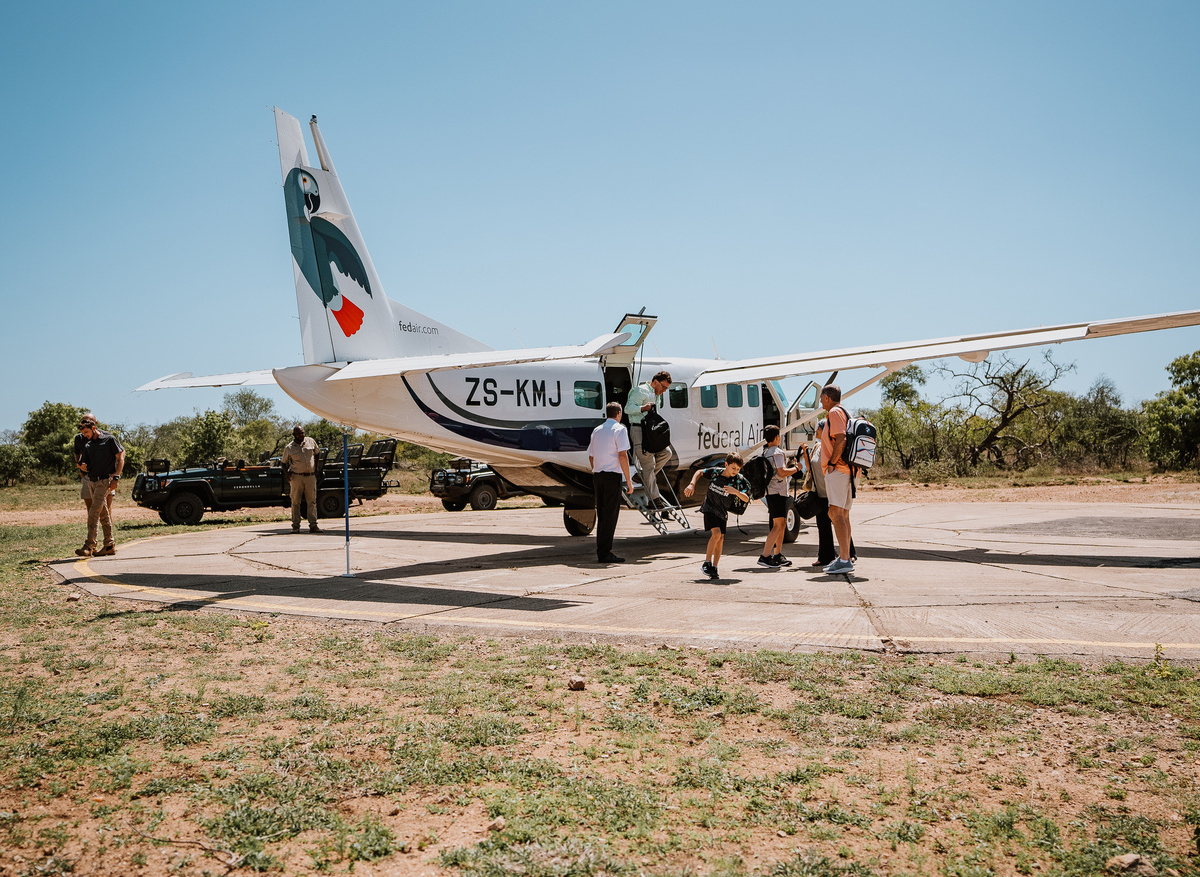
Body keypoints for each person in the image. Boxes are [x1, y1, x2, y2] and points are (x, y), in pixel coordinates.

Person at [683, 451, 750, 580]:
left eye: (738, 469)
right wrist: (692, 484)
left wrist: (735, 492)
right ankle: (707, 562)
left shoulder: (738, 480)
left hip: (722, 512)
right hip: (709, 508)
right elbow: (699, 472)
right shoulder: (716, 472)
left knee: (721, 539)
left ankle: (714, 567)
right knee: (716, 534)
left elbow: (746, 498)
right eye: (733, 468)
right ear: (726, 464)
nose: (735, 471)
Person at [588, 402, 633, 563]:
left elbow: (591, 456)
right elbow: (622, 455)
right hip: (612, 476)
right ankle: (605, 553)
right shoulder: (620, 429)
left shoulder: (597, 430)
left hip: (598, 476)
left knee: (602, 514)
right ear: (619, 413)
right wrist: (629, 480)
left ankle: (602, 551)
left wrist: (597, 469)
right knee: (610, 515)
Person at [799, 440, 855, 568]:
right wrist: (805, 453)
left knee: (840, 520)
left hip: (832, 491)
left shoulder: (833, 447)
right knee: (823, 526)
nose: (818, 429)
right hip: (820, 492)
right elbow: (810, 468)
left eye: (820, 427)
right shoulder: (817, 446)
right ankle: (825, 556)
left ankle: (849, 553)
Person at [818, 384, 855, 574]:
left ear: (826, 397)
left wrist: (832, 463)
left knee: (835, 513)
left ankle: (844, 559)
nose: (819, 401)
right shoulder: (845, 412)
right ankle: (845, 557)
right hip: (847, 470)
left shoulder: (834, 412)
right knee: (843, 514)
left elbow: (841, 439)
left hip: (839, 470)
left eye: (820, 397)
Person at [75, 417, 125, 557]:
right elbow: (83, 463)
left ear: (94, 428)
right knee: (103, 514)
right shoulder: (88, 445)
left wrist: (116, 477)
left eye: (86, 432)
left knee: (93, 512)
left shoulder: (109, 440)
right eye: (83, 433)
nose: (85, 435)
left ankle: (89, 545)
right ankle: (109, 545)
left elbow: (120, 458)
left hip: (105, 481)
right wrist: (82, 466)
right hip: (92, 481)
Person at [624, 370, 673, 509]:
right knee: (648, 465)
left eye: (666, 388)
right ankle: (654, 499)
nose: (663, 391)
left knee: (666, 453)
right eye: (663, 387)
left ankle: (641, 476)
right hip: (639, 429)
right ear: (656, 382)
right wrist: (643, 408)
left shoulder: (652, 392)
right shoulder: (640, 391)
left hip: (650, 430)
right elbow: (628, 408)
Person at [757, 424, 801, 568]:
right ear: (777, 437)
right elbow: (782, 472)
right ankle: (764, 556)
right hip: (777, 493)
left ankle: (777, 554)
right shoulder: (777, 452)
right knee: (777, 525)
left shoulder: (766, 452)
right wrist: (796, 469)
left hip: (771, 492)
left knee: (781, 524)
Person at [73, 413, 114, 530]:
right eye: (83, 421)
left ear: (94, 424)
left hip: (105, 477)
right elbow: (77, 453)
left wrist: (114, 476)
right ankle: (93, 539)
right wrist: (79, 466)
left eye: (88, 421)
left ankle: (109, 538)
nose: (84, 423)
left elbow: (117, 455)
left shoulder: (107, 436)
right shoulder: (79, 438)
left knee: (106, 508)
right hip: (88, 477)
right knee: (91, 510)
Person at [280, 425, 321, 533]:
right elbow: (283, 463)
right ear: (294, 435)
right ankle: (295, 526)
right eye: (298, 434)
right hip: (296, 477)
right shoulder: (289, 448)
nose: (301, 435)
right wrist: (287, 474)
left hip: (310, 477)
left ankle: (313, 525)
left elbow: (317, 453)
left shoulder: (310, 441)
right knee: (295, 502)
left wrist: (316, 468)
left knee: (312, 501)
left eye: (302, 433)